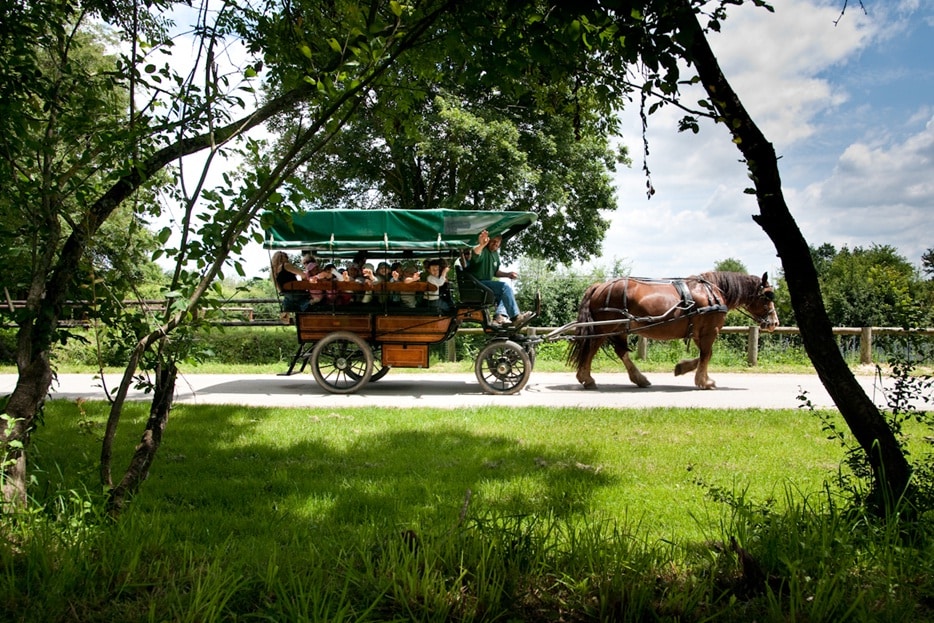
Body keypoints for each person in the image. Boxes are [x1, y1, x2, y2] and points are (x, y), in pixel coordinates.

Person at [465, 229, 533, 327]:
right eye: (493, 240)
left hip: (486, 285)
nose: (495, 243)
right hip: (477, 284)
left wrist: (508, 274)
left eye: (498, 241)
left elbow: (495, 272)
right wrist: (481, 245)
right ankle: (516, 317)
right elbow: (475, 254)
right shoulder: (482, 250)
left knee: (505, 292)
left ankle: (499, 318)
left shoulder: (495, 254)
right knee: (504, 287)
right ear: (488, 240)